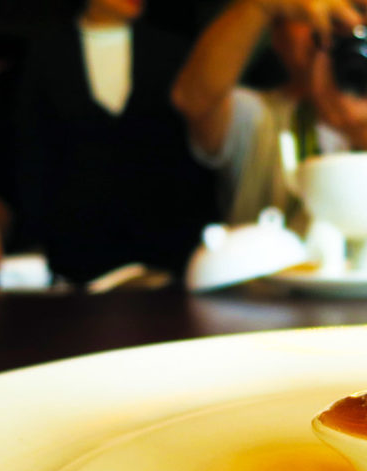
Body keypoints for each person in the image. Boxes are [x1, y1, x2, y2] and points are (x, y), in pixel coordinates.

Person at [171, 0, 367, 229]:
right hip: (269, 288)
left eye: (338, 14)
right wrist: (262, 4)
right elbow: (192, 99)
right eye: (303, 14)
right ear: (277, 38)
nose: (322, 25)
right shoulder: (256, 113)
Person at [15, 0, 218, 285]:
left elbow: (196, 158)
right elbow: (31, 158)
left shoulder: (173, 51)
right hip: (73, 258)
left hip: (166, 255)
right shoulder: (46, 54)